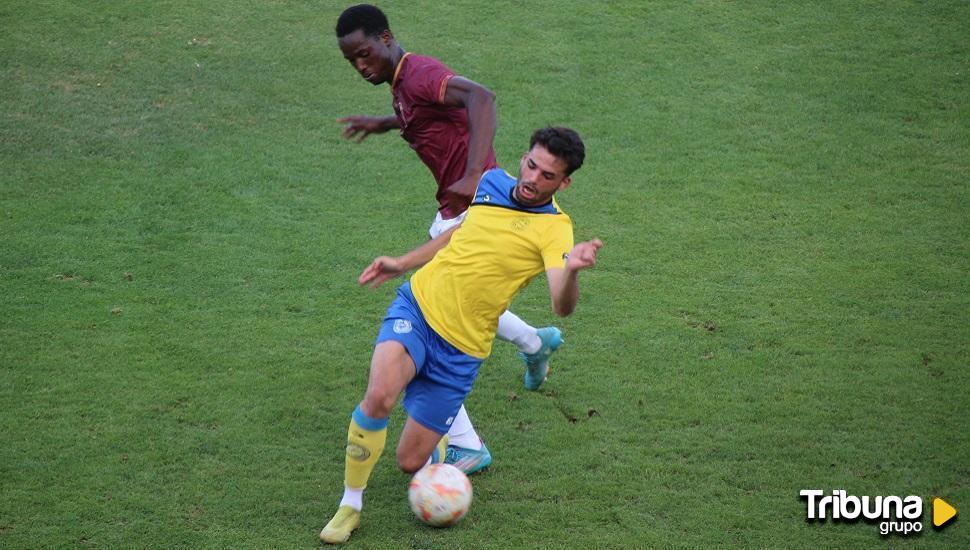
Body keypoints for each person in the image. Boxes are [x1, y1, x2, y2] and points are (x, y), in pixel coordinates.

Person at [319, 127, 602, 544]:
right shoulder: (491, 183)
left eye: (547, 176)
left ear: (564, 183)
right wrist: (403, 262)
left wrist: (573, 270)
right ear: (523, 157)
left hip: (463, 349)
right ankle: (350, 504)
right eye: (531, 165)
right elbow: (458, 235)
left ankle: (442, 442)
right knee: (379, 396)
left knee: (410, 460)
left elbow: (561, 303)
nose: (532, 179)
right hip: (418, 307)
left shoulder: (555, 229)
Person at [335, 4, 564, 474]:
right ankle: (533, 343)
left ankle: (465, 442)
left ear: (385, 38)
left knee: (445, 313)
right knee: (466, 299)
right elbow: (420, 113)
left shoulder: (418, 73)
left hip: (473, 205)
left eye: (364, 54)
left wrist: (473, 172)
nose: (361, 67)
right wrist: (384, 123)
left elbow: (482, 99)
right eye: (351, 61)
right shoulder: (402, 83)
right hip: (456, 202)